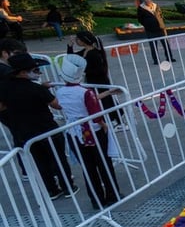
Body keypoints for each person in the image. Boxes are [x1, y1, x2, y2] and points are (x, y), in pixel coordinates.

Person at [0, 53, 77, 199]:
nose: (37, 73)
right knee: (58, 160)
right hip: (47, 130)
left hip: (25, 133)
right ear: (23, 72)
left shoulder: (5, 88)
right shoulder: (36, 89)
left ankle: (51, 190)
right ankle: (68, 187)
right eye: (34, 70)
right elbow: (57, 105)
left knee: (40, 162)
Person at [54, 54, 120, 209]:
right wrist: (103, 124)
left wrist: (107, 93)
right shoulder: (85, 92)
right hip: (92, 131)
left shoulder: (60, 92)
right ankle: (112, 195)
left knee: (88, 167)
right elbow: (94, 112)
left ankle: (96, 200)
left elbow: (77, 103)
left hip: (74, 131)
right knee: (104, 164)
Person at [68, 30, 123, 127]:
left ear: (83, 40)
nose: (76, 41)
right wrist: (70, 46)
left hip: (100, 80)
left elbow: (100, 70)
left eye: (77, 39)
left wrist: (85, 71)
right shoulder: (85, 51)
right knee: (101, 99)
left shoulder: (94, 53)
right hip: (92, 80)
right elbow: (71, 58)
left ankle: (115, 119)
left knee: (105, 100)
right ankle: (113, 118)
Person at [137, 0, 175, 65]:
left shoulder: (156, 6)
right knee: (153, 45)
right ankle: (156, 60)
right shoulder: (141, 8)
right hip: (150, 30)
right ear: (143, 0)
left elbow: (160, 15)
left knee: (165, 44)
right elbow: (140, 19)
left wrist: (161, 23)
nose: (147, 0)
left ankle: (169, 57)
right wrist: (147, 24)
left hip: (160, 28)